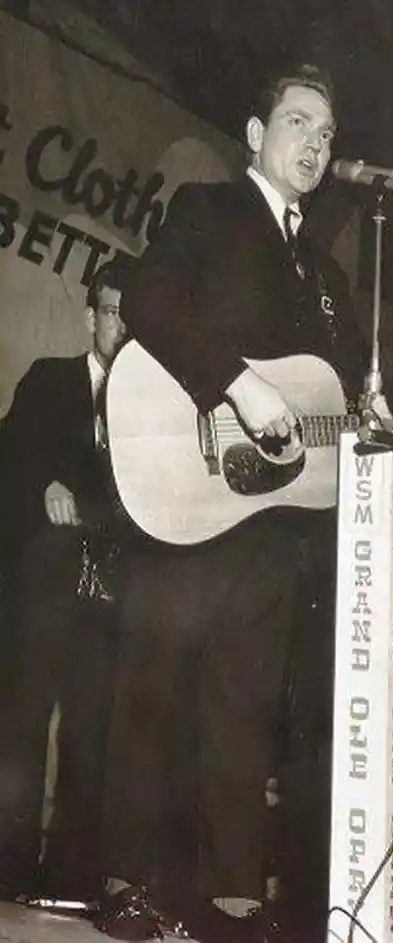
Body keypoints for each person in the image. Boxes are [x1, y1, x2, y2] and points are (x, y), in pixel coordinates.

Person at [94, 66, 393, 943]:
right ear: (255, 135)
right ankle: (124, 884)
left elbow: (355, 416)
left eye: (327, 135)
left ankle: (234, 904)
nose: (317, 145)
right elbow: (146, 298)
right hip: (183, 486)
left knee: (243, 713)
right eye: (299, 123)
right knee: (155, 692)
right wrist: (238, 386)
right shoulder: (208, 214)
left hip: (271, 526)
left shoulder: (326, 277)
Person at [0, 258, 131, 902]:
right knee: (20, 727)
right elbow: (12, 450)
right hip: (46, 588)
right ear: (91, 318)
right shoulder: (49, 380)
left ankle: (70, 881)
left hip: (109, 598)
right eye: (111, 312)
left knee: (91, 733)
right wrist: (46, 483)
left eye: (132, 315)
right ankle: (6, 873)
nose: (122, 326)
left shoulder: (148, 410)